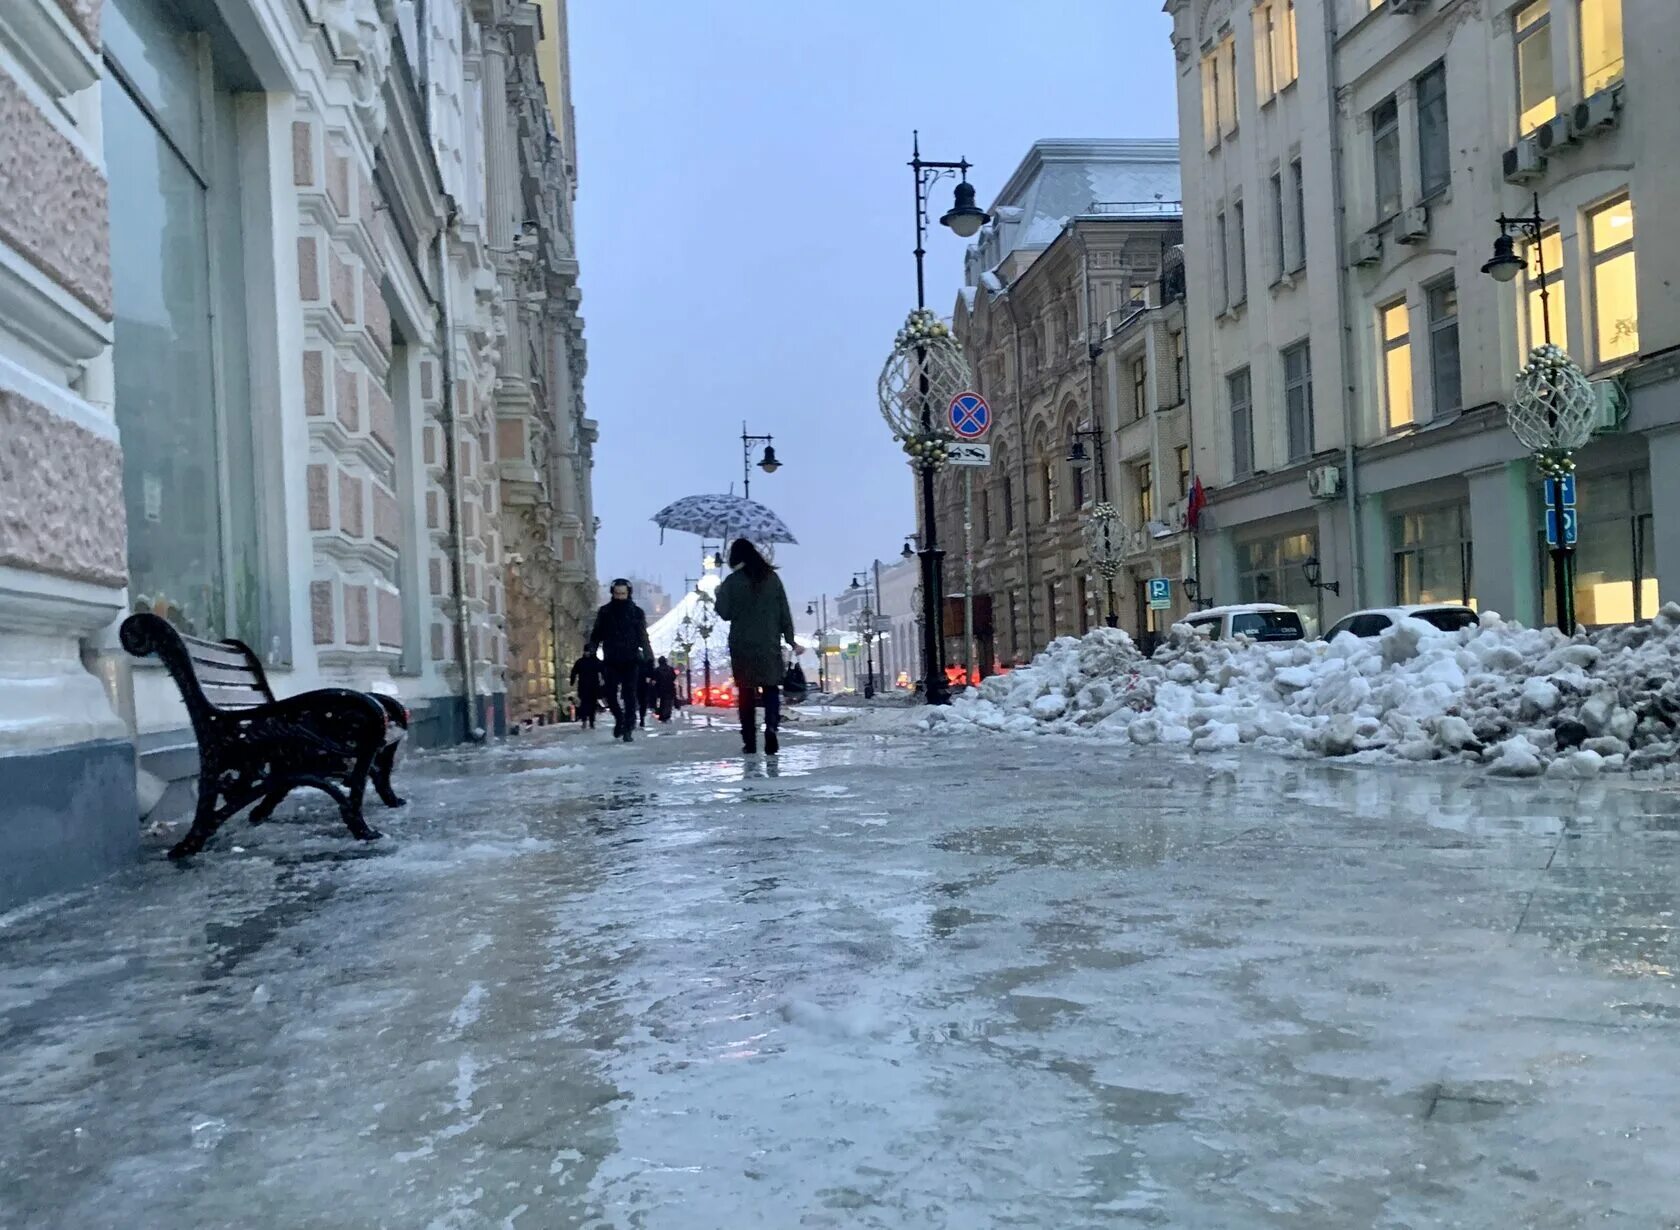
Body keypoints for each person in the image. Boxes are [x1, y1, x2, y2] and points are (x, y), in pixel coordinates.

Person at [713, 538, 799, 756]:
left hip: (742, 645)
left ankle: (749, 741)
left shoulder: (732, 581)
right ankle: (771, 727)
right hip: (768, 643)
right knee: (771, 689)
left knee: (746, 693)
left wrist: (719, 593)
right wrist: (790, 640)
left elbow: (725, 613)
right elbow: (784, 613)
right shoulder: (772, 578)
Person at [589, 578, 653, 741]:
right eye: (617, 594)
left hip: (631, 659)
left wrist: (648, 656)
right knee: (610, 694)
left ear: (628, 593)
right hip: (611, 659)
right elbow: (596, 634)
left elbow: (643, 636)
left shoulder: (636, 612)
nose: (620, 597)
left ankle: (629, 727)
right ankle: (620, 719)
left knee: (630, 694)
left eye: (623, 594)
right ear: (612, 593)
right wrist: (592, 650)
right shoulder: (605, 612)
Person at [568, 643, 604, 729]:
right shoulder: (580, 662)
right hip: (583, 686)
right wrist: (572, 681)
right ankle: (584, 721)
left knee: (592, 705)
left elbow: (603, 670)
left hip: (593, 686)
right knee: (584, 705)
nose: (587, 653)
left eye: (588, 651)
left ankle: (591, 721)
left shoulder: (595, 661)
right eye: (585, 651)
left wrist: (604, 680)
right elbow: (574, 672)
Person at [653, 656, 679, 722]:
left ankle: (661, 714)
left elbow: (654, 678)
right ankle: (667, 714)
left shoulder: (657, 669)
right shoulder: (670, 669)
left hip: (660, 688)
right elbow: (674, 677)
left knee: (661, 702)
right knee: (668, 702)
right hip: (670, 687)